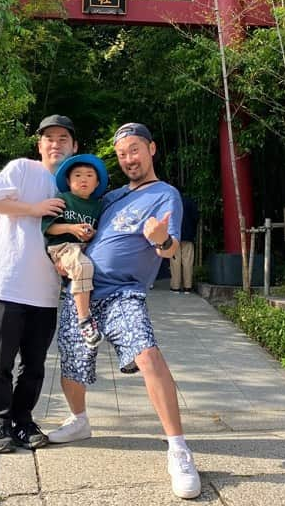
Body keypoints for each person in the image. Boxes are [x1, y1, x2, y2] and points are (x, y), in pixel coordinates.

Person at [47, 122, 202, 500]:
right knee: (72, 364)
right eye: (121, 154)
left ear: (151, 149)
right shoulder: (112, 196)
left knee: (147, 354)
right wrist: (62, 258)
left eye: (134, 150)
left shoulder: (165, 195)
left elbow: (169, 247)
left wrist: (160, 239)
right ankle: (79, 421)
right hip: (80, 291)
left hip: (122, 293)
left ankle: (178, 449)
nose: (128, 159)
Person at [0, 114, 78, 454]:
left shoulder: (75, 185)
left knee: (34, 365)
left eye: (63, 138)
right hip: (7, 285)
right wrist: (34, 208)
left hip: (46, 292)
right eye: (49, 138)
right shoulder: (22, 169)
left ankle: (23, 421)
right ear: (39, 145)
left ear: (74, 146)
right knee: (0, 363)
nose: (56, 144)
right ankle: (1, 425)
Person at [42, 153, 109, 349]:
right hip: (63, 247)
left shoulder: (99, 206)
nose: (83, 179)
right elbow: (48, 227)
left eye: (89, 175)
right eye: (77, 175)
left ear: (97, 183)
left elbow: (100, 231)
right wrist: (71, 228)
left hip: (85, 247)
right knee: (83, 265)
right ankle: (84, 321)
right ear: (69, 181)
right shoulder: (63, 199)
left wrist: (91, 232)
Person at [170, 193, 199, 294]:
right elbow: (196, 217)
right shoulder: (190, 202)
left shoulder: (171, 203)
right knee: (187, 261)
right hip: (188, 235)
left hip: (175, 235)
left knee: (175, 261)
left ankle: (175, 287)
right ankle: (187, 287)